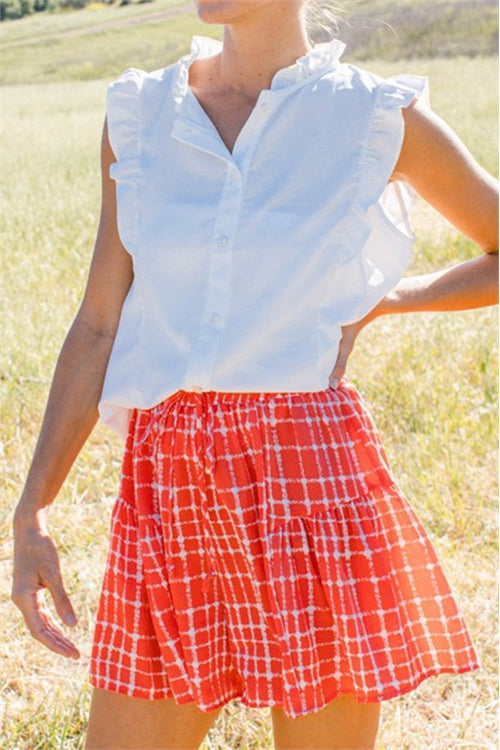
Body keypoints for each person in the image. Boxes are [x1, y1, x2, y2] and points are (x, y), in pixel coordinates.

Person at [11, 0, 498, 748]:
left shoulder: (372, 115)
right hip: (170, 490)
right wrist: (33, 506)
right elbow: (101, 320)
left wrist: (390, 302)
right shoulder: (142, 112)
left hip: (310, 485)